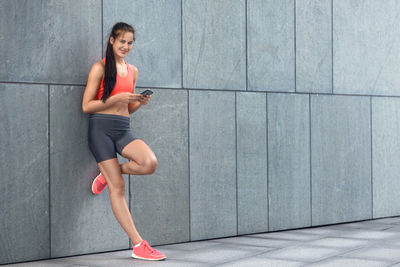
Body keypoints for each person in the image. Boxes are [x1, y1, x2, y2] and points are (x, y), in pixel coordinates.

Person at [82, 22, 166, 261]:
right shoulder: (99, 68)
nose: (126, 46)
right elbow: (87, 106)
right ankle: (139, 245)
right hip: (101, 130)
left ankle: (108, 174)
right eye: (122, 42)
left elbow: (127, 108)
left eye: (130, 43)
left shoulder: (133, 71)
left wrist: (138, 103)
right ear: (112, 41)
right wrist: (116, 97)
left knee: (149, 163)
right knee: (118, 187)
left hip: (123, 129)